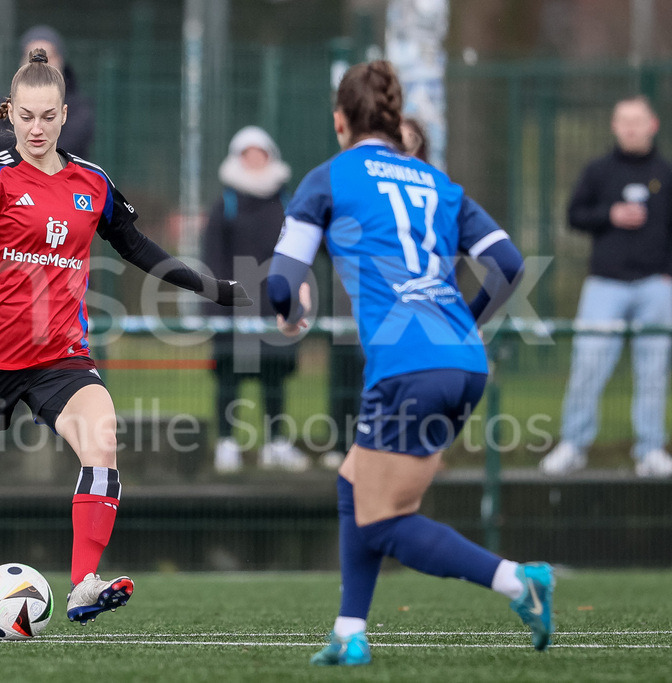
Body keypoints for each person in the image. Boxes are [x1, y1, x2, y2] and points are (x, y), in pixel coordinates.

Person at [0, 49, 250, 624]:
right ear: (11, 114)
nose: (37, 128)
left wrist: (210, 286)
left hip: (58, 355)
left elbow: (138, 248)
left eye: (48, 116)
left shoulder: (91, 183)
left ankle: (83, 584)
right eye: (26, 116)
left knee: (102, 438)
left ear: (65, 114)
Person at [267, 60, 551, 666]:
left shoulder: (329, 177)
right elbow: (509, 263)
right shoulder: (439, 184)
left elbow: (280, 284)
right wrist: (466, 321)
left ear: (341, 120)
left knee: (384, 522)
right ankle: (349, 632)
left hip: (407, 368)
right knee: (354, 486)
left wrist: (292, 310)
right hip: (459, 361)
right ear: (395, 121)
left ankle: (515, 580)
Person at [540, 96, 672, 479]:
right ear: (614, 126)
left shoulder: (665, 173)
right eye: (624, 121)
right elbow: (574, 215)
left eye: (638, 121)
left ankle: (650, 450)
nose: (631, 128)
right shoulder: (598, 171)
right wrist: (610, 215)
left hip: (656, 286)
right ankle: (574, 444)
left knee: (653, 370)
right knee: (589, 363)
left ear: (653, 125)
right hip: (605, 285)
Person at [201, 125, 308, 473]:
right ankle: (227, 444)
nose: (254, 160)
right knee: (230, 376)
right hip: (234, 308)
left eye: (260, 153)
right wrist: (217, 302)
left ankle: (276, 443)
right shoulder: (225, 205)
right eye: (247, 154)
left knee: (274, 377)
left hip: (273, 305)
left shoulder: (287, 202)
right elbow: (213, 257)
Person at [0, 25, 94, 159]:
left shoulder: (81, 108)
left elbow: (72, 143)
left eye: (49, 118)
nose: (36, 131)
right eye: (26, 118)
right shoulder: (0, 105)